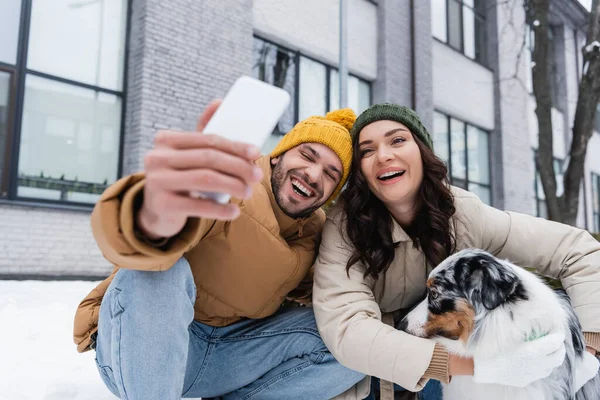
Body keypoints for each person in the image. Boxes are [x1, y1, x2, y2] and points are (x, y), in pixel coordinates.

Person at [72, 101, 365, 400]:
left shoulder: (316, 230)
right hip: (138, 353)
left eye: (330, 174)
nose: (313, 175)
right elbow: (154, 239)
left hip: (226, 354)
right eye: (306, 155)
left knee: (356, 340)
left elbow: (326, 291)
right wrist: (156, 215)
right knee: (160, 271)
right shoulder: (231, 185)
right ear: (278, 156)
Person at [312, 103, 600, 400]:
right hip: (379, 370)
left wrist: (587, 348)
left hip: (447, 363)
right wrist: (478, 366)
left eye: (397, 140)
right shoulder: (346, 226)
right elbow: (346, 328)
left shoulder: (463, 214)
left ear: (422, 152)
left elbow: (578, 251)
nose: (383, 155)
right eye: (367, 151)